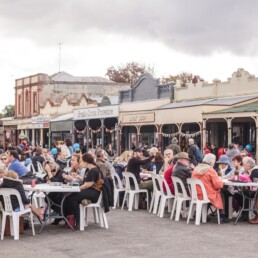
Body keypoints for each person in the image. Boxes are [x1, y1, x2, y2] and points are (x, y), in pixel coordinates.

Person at [64, 153, 103, 230]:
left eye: (82, 161)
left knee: (71, 198)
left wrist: (77, 188)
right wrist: (79, 177)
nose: (81, 163)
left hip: (94, 193)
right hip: (91, 191)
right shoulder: (90, 169)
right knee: (70, 197)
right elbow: (87, 181)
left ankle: (77, 221)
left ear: (86, 162)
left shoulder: (93, 170)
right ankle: (73, 220)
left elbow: (87, 185)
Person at [191, 153, 228, 223]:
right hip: (206, 195)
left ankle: (200, 214)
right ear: (211, 162)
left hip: (196, 194)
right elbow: (218, 185)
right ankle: (222, 215)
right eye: (214, 161)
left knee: (208, 192)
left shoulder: (196, 168)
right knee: (221, 193)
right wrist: (221, 182)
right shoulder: (210, 170)